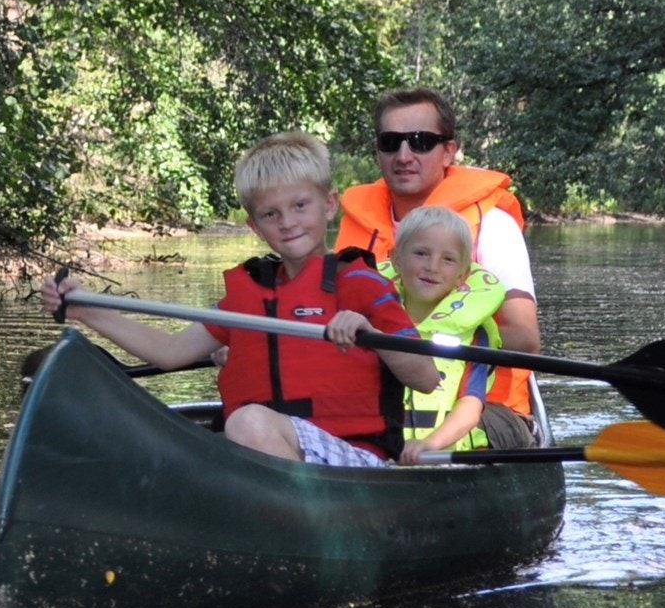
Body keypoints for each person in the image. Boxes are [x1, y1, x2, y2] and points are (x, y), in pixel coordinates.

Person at [43, 131, 439, 467]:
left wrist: (369, 332)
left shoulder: (360, 282)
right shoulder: (250, 295)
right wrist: (85, 310)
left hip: (354, 462)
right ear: (254, 225)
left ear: (329, 204)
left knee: (247, 423)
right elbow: (170, 351)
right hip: (272, 455)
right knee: (220, 433)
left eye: (300, 206)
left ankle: (303, 518)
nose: (288, 222)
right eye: (270, 214)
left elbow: (425, 378)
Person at [335, 88, 539, 443]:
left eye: (421, 142)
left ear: (448, 151)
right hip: (374, 402)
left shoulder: (493, 226)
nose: (404, 156)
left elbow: (525, 339)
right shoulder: (356, 228)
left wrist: (425, 336)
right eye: (390, 142)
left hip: (487, 406)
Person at [382, 207, 505, 466]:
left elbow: (470, 406)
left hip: (445, 457)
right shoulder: (372, 317)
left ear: (462, 276)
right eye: (421, 253)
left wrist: (430, 444)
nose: (432, 267)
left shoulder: (476, 332)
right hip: (380, 453)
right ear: (397, 260)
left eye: (448, 259)